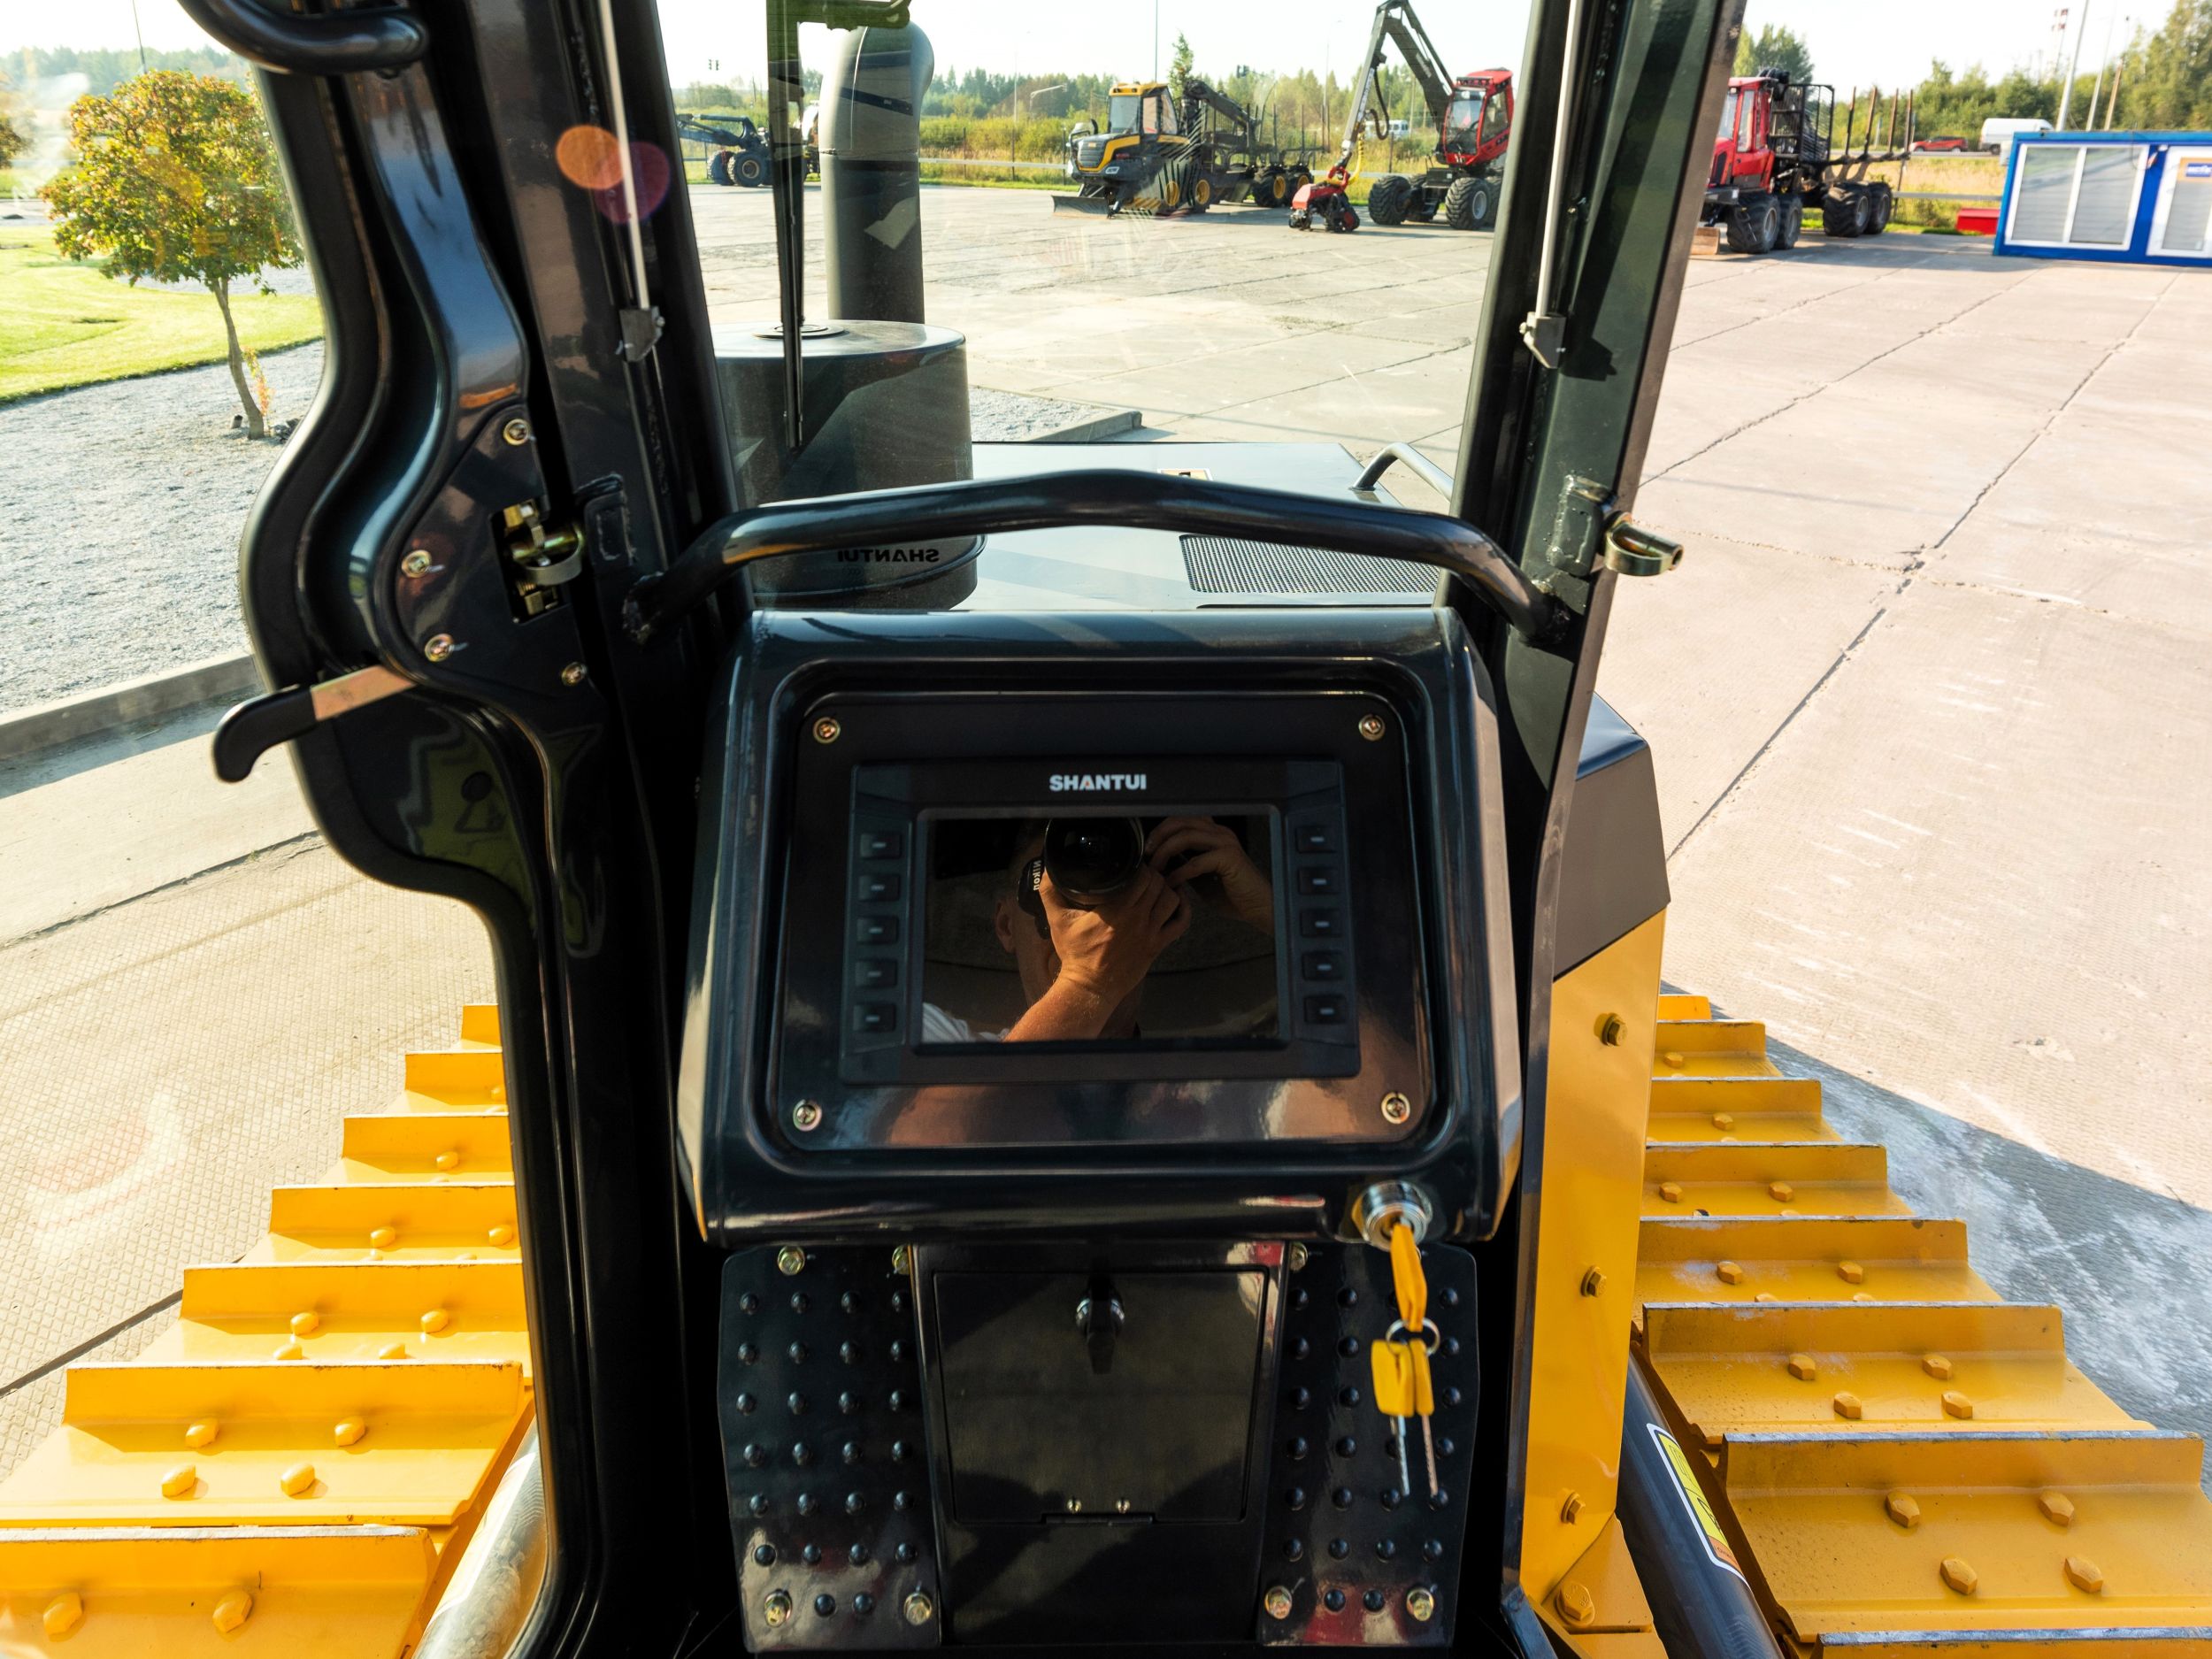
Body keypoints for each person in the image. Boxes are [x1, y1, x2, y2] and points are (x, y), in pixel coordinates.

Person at [921, 816, 1273, 1043]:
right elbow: (929, 1130)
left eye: (1114, 891)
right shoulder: (936, 1038)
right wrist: (1086, 984)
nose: (1091, 921)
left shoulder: (1213, 1076)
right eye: (1060, 892)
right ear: (1005, 924)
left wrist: (1274, 913)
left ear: (1157, 912)